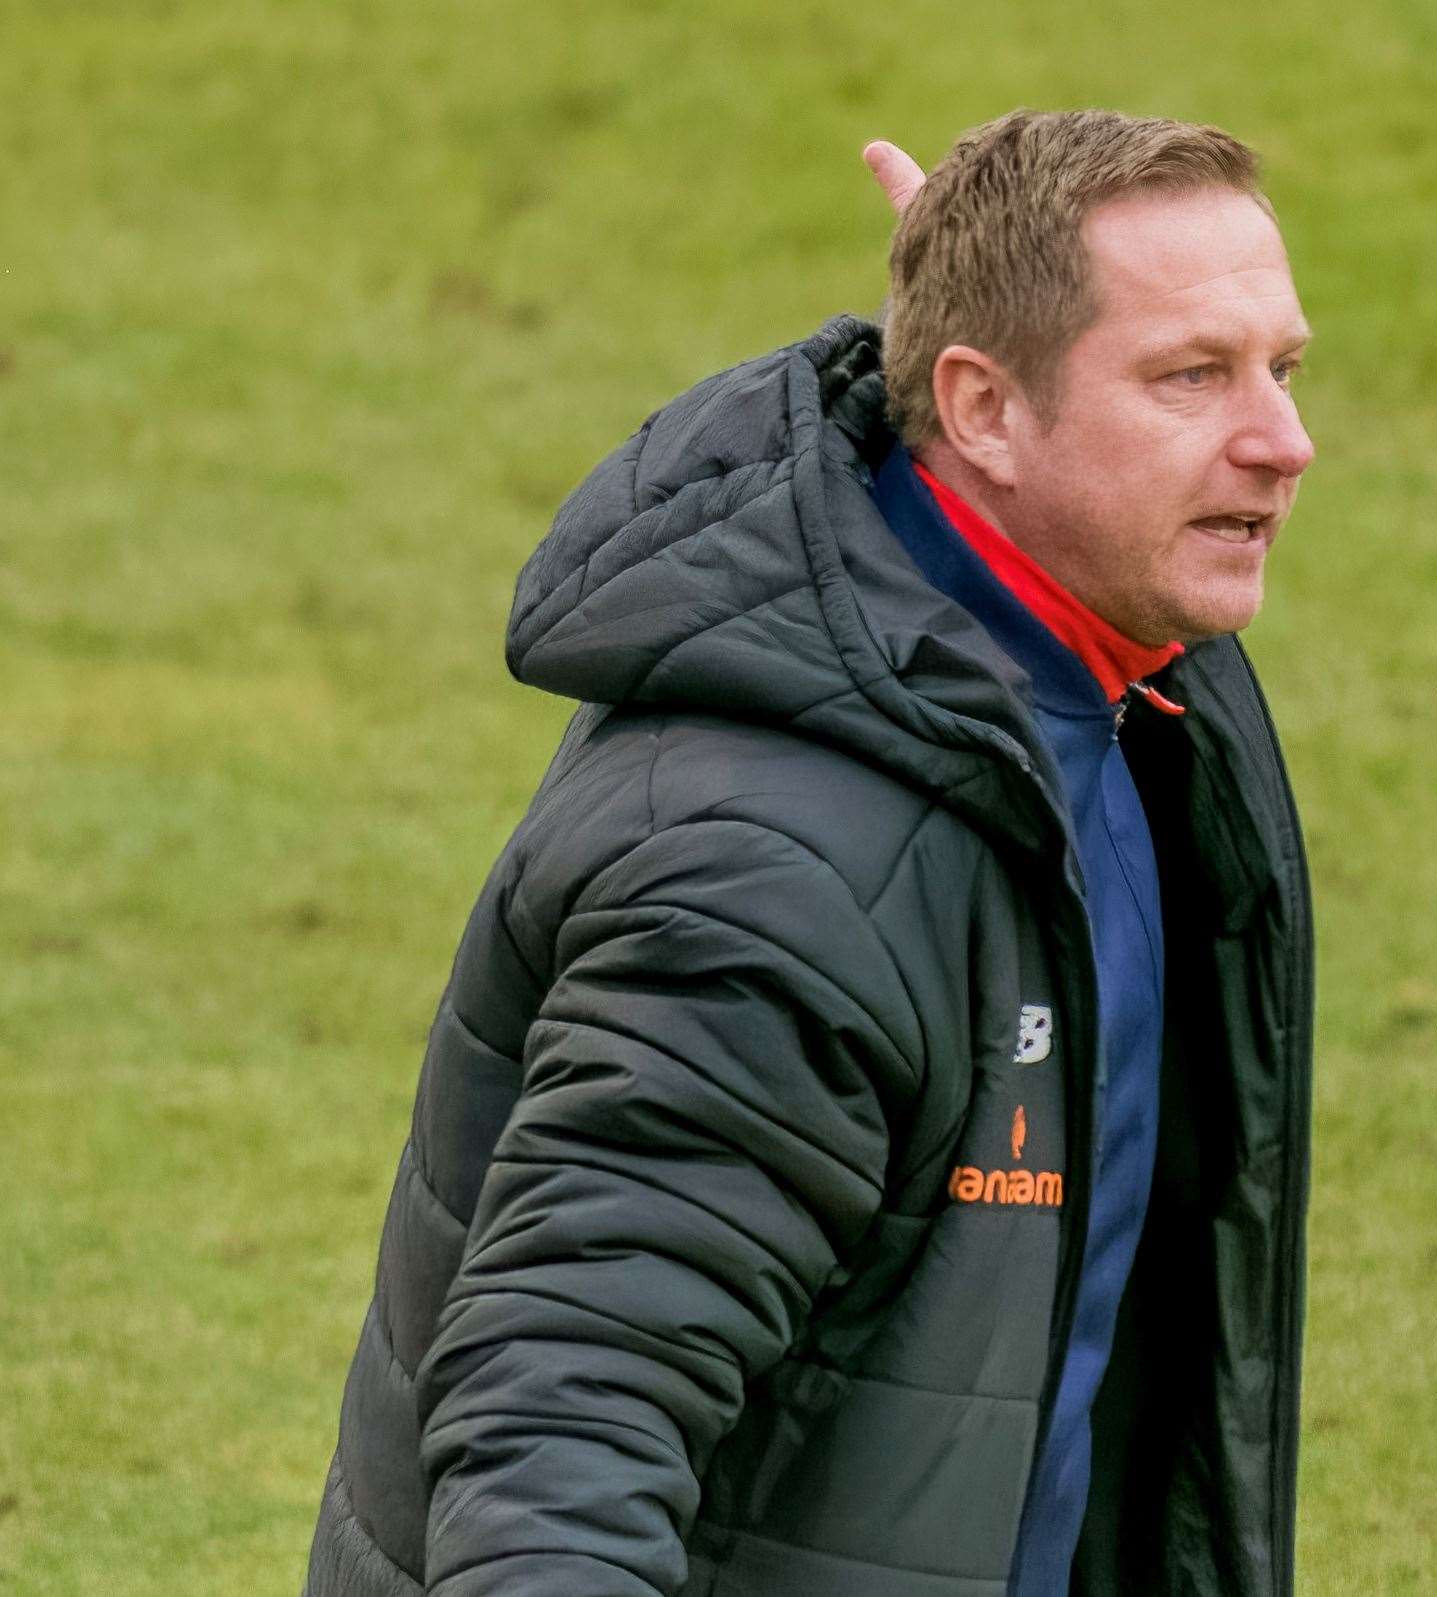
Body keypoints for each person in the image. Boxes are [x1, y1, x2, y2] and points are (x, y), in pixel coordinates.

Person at [304, 107, 1316, 1597]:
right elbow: (566, 1408)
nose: (1282, 442)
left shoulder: (1101, 680)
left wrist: (980, 306)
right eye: (1189, 377)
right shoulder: (775, 873)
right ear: (977, 413)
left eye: (1280, 367)